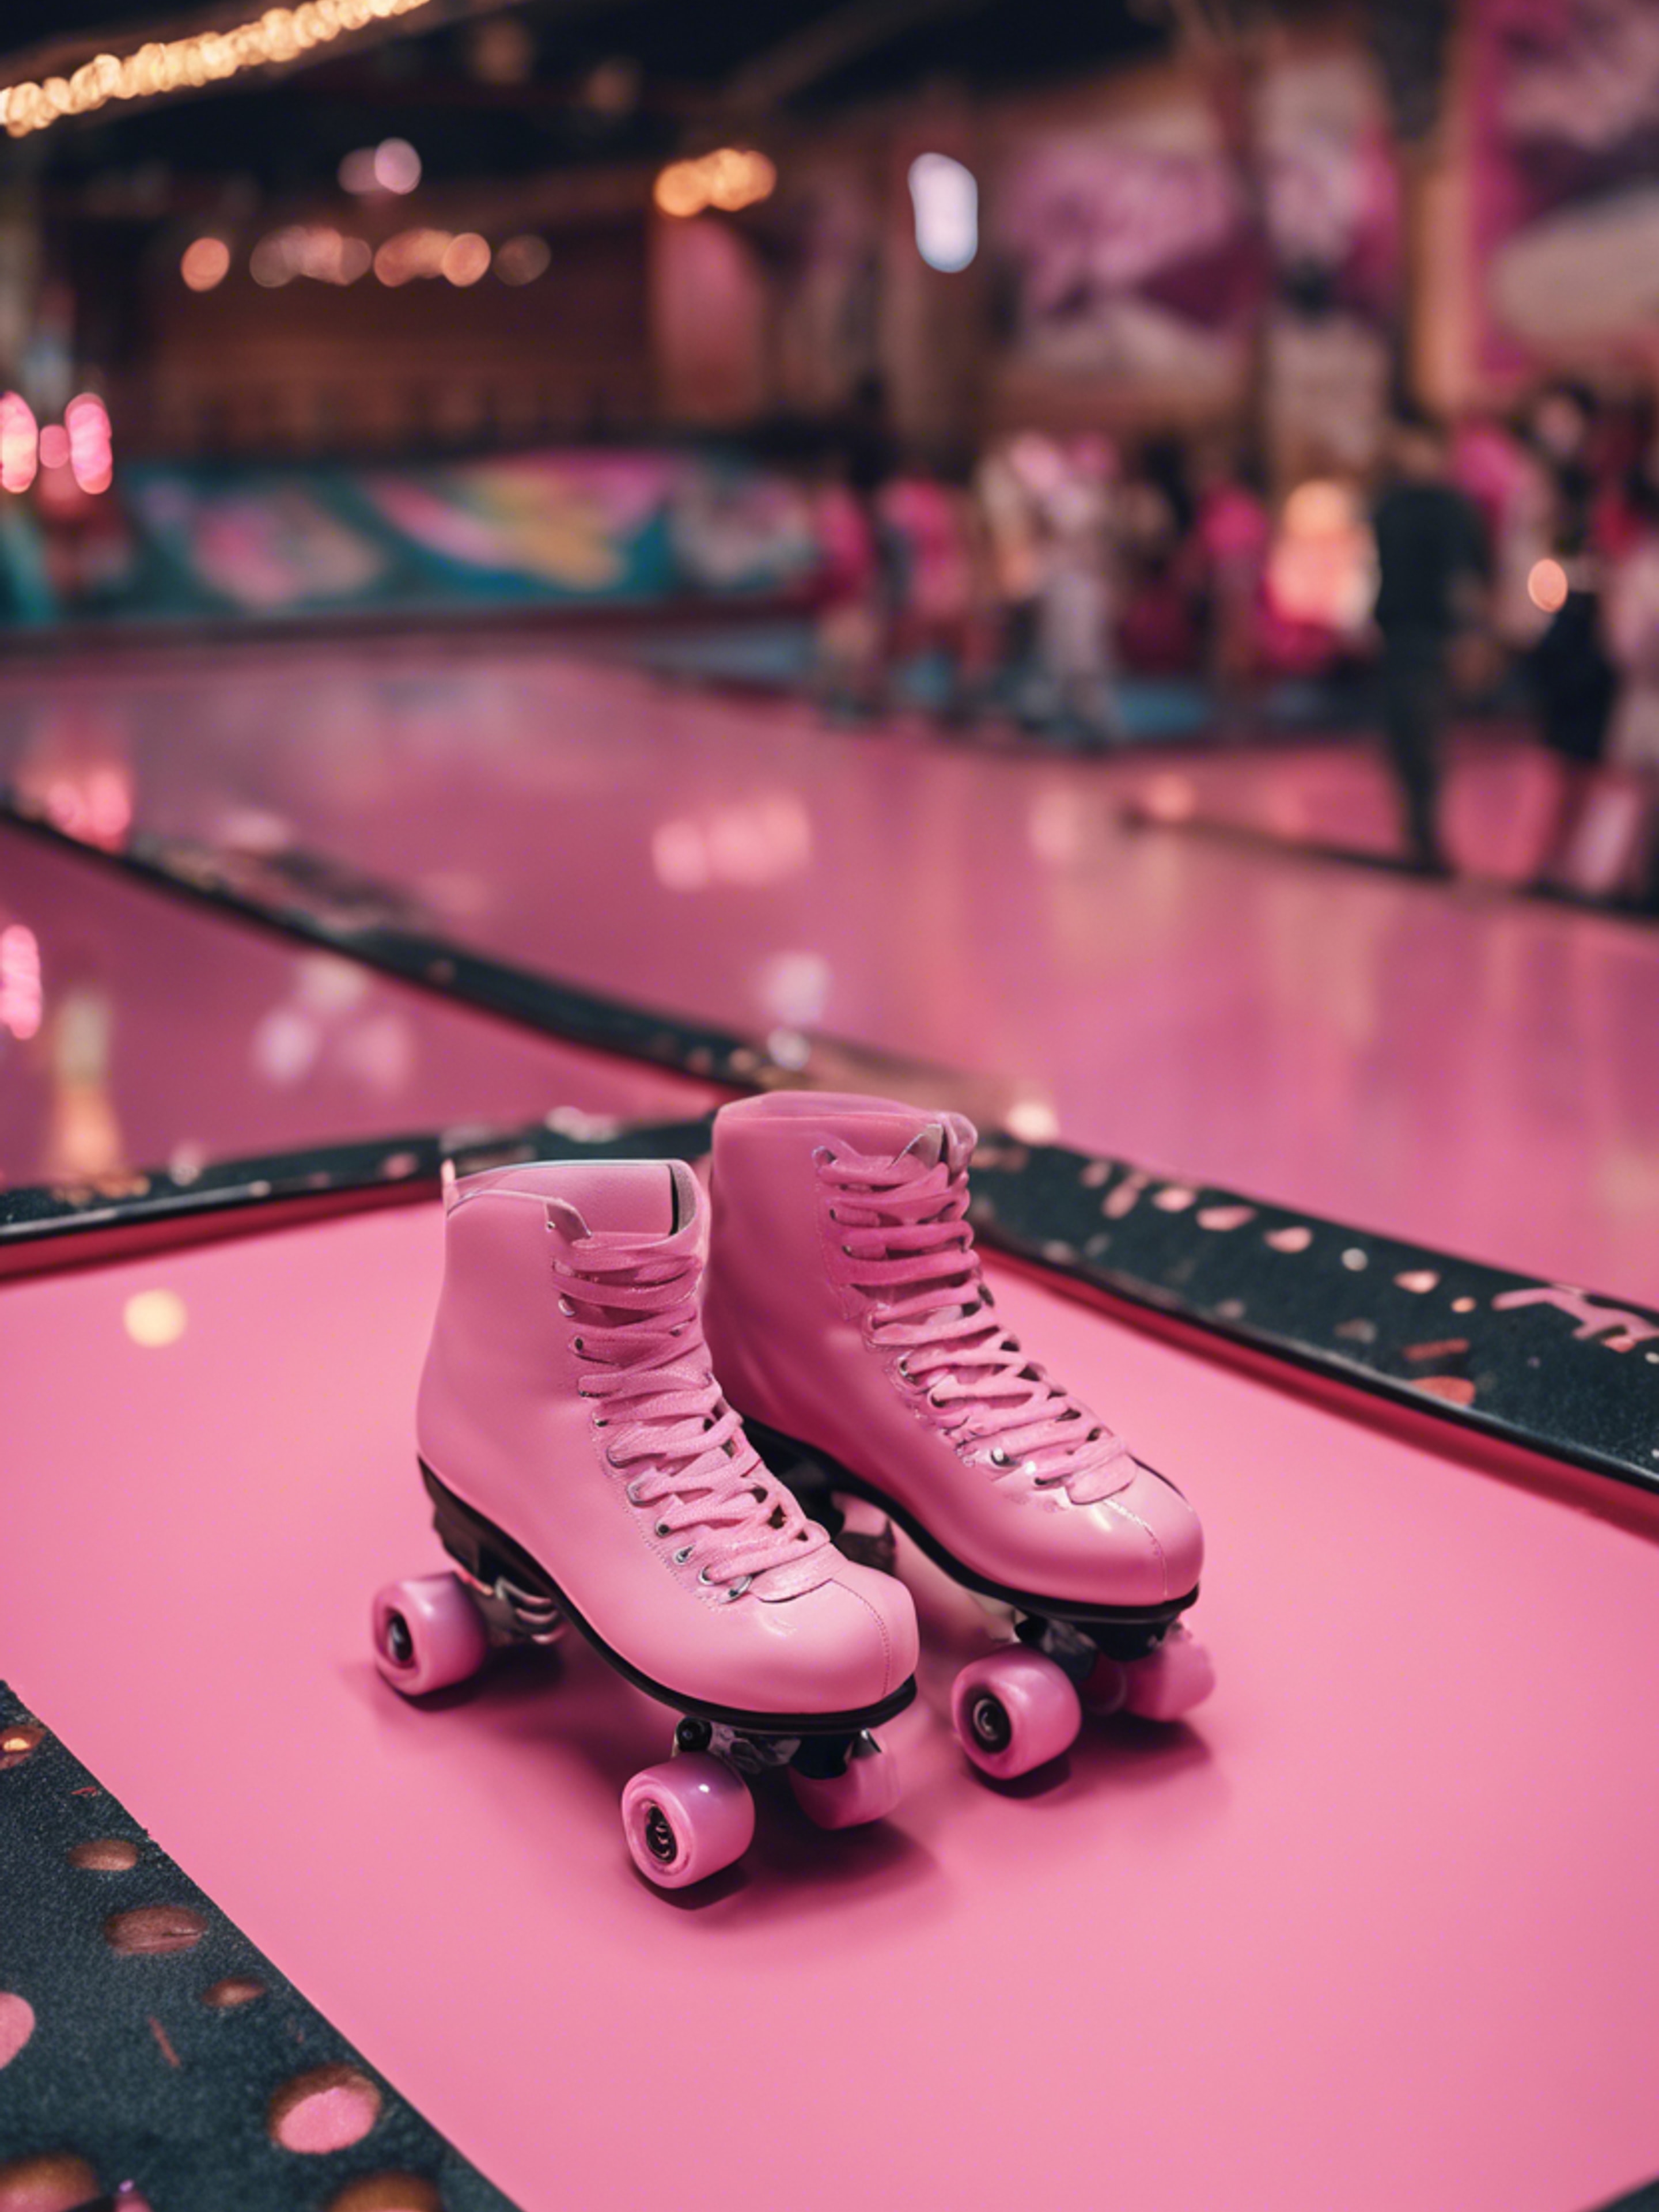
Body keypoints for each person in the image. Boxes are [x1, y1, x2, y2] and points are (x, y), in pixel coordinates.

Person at [1370, 412, 1490, 874]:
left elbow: (1465, 578)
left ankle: (1427, 834)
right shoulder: (1389, 506)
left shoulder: (1452, 510)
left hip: (1433, 638)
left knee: (1424, 736)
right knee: (1399, 738)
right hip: (1395, 634)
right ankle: (1415, 830)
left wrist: (1470, 636)